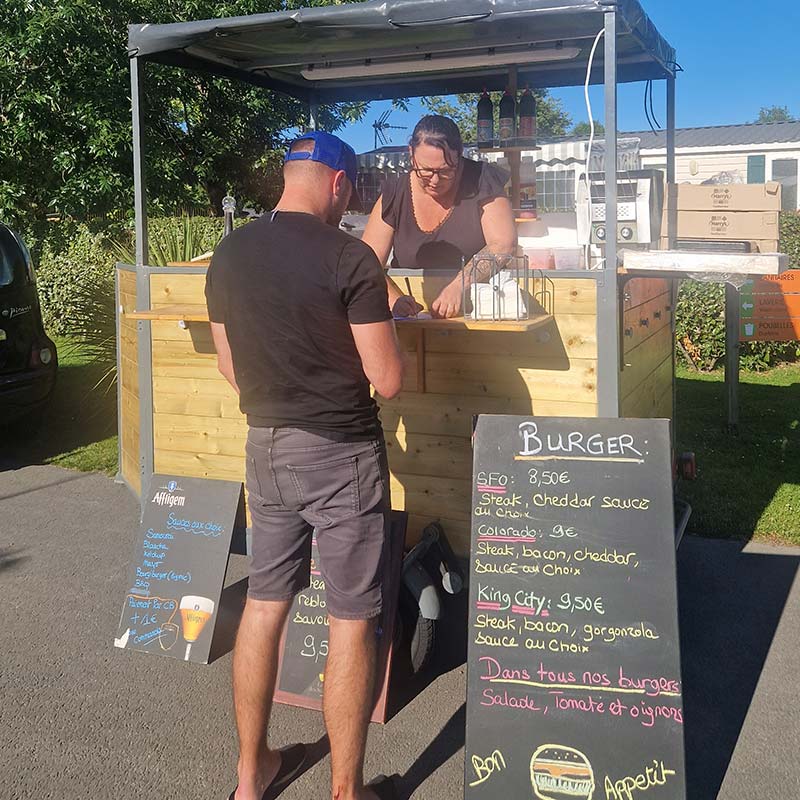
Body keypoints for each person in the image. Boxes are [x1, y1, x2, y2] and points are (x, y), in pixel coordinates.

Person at [205, 131, 404, 800]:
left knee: (264, 604)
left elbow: (231, 367)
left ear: (291, 174)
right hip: (342, 452)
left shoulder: (229, 253)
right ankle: (346, 792)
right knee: (351, 618)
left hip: (265, 445)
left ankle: (250, 773)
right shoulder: (350, 257)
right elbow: (388, 376)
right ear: (342, 185)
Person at [361, 114, 518, 319]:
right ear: (411, 154)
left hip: (478, 313)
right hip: (411, 321)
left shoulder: (482, 179)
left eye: (445, 171)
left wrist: (459, 286)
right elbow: (366, 260)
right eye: (425, 170)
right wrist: (395, 300)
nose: (435, 180)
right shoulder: (395, 193)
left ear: (459, 155)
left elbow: (503, 244)